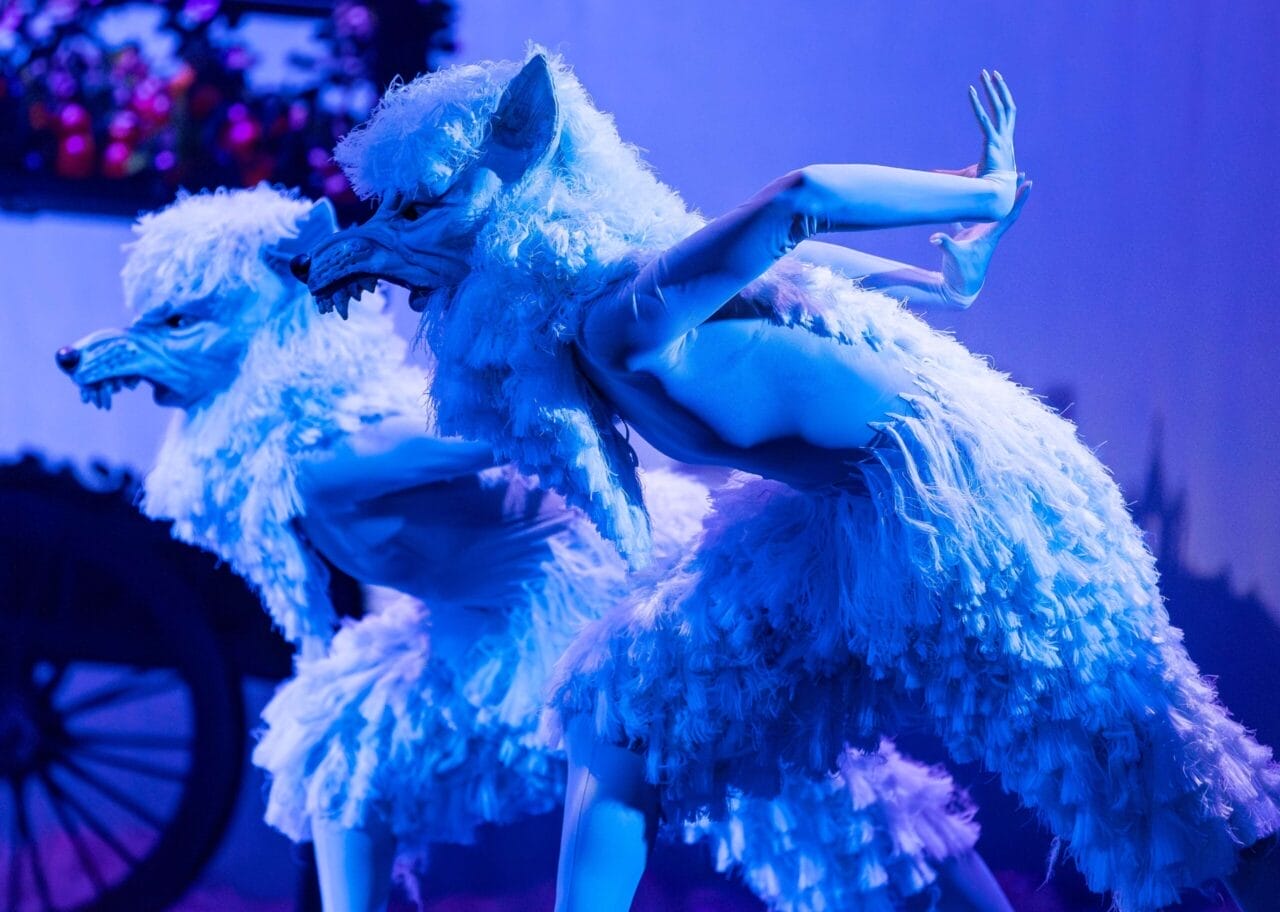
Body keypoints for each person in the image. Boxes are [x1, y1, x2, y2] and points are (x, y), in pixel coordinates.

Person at [298, 53, 1280, 912]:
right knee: (619, 708)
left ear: (522, 178)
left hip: (964, 496)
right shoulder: (604, 313)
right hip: (824, 520)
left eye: (421, 205)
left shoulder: (620, 313)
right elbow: (794, 277)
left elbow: (797, 200)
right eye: (388, 209)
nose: (388, 235)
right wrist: (944, 284)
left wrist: (978, 194)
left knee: (1151, 775)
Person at [60, 185, 998, 912]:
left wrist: (550, 354)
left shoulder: (331, 457)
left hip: (596, 589)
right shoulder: (295, 448)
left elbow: (480, 435)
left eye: (183, 322)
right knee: (343, 744)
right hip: (479, 625)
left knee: (806, 789)